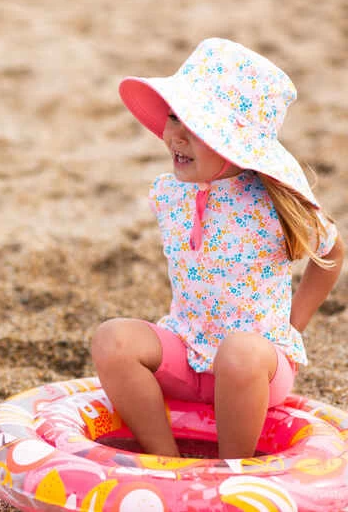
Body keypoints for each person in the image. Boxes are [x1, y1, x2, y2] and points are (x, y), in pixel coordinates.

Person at [91, 38, 344, 459]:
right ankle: (165, 460)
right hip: (186, 352)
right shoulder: (169, 193)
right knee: (112, 338)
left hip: (254, 370)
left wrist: (292, 327)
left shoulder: (273, 203)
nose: (175, 135)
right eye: (174, 117)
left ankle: (233, 470)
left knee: (240, 351)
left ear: (236, 143)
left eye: (195, 126)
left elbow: (332, 253)